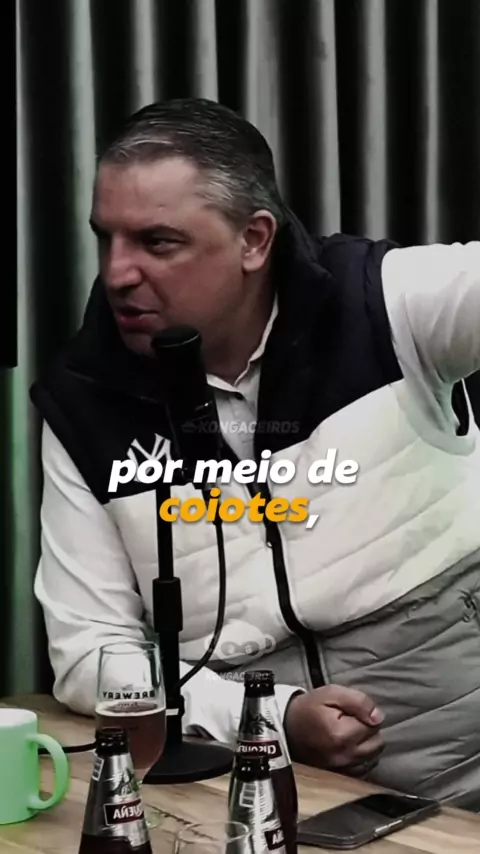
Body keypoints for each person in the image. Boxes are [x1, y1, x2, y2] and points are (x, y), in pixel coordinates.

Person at [30, 97, 480, 805]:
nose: (117, 273)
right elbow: (89, 652)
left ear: (254, 240)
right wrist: (269, 715)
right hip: (255, 789)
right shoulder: (84, 401)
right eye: (107, 238)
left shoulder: (384, 302)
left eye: (157, 242)